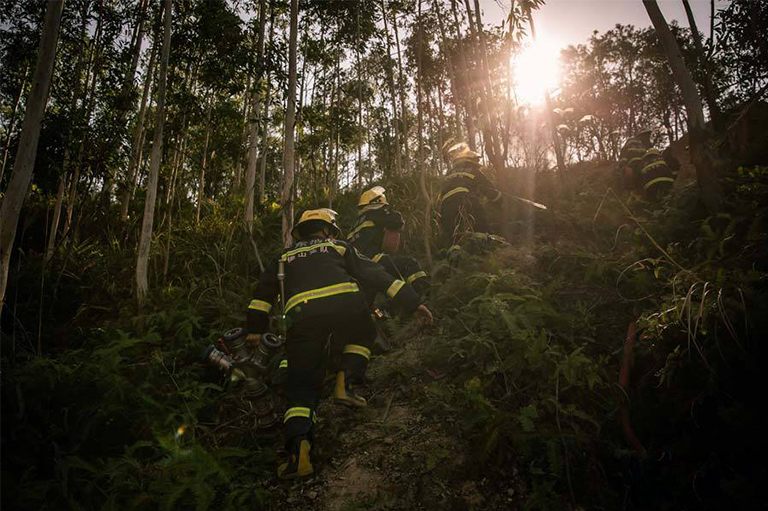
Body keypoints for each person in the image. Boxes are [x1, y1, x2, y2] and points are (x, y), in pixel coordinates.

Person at [246, 208, 433, 479]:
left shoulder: (283, 256)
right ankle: (345, 382)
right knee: (363, 334)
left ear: (299, 232)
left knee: (301, 387)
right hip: (347, 306)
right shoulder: (338, 246)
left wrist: (254, 330)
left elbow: (262, 296)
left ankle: (299, 454)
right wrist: (415, 302)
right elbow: (377, 276)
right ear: (328, 229)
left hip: (302, 317)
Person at [347, 186, 430, 297]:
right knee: (409, 264)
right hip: (373, 259)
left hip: (356, 267)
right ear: (378, 202)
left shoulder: (355, 223)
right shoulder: (375, 213)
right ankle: (424, 295)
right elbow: (396, 219)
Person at [439, 142, 502, 247]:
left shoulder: (450, 173)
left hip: (445, 205)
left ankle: (455, 255)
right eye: (476, 161)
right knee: (480, 225)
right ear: (471, 161)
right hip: (465, 198)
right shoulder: (474, 171)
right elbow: (490, 190)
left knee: (454, 236)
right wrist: (499, 201)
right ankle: (483, 248)